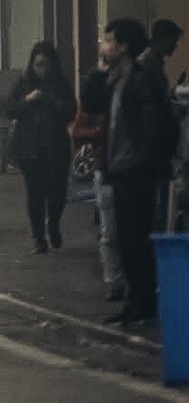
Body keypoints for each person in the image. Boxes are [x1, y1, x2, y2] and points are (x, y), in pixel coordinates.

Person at [103, 18, 176, 326]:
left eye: (109, 41)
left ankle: (143, 304)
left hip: (134, 172)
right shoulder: (118, 78)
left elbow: (150, 128)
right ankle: (135, 302)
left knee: (137, 239)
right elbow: (92, 99)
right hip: (121, 169)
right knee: (124, 239)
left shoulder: (141, 80)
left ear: (124, 46)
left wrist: (139, 163)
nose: (103, 46)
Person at [6, 41, 73, 254]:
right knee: (35, 195)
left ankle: (53, 223)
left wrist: (52, 100)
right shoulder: (24, 84)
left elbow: (70, 112)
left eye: (45, 65)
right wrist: (28, 100)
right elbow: (10, 110)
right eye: (38, 65)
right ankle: (38, 238)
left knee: (57, 193)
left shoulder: (62, 86)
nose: (41, 70)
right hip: (30, 150)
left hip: (56, 149)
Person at [75, 39, 125, 303]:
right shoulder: (97, 91)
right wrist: (101, 133)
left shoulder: (131, 88)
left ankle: (127, 281)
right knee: (111, 231)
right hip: (105, 168)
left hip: (128, 170)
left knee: (127, 229)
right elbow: (77, 129)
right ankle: (113, 281)